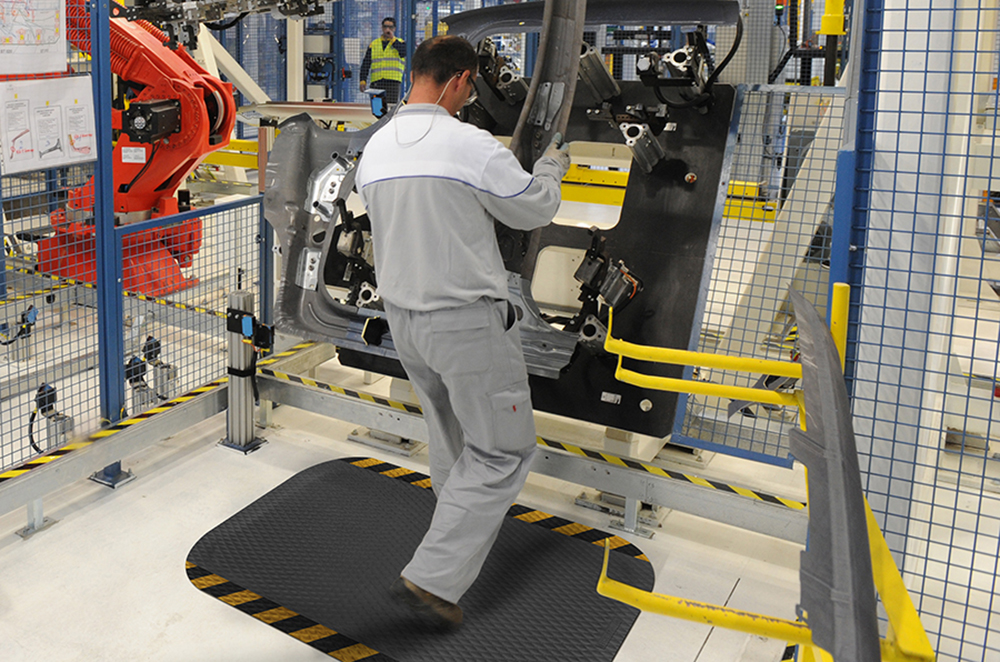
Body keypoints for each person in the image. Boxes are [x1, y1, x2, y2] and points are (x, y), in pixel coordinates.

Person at [354, 35, 571, 629]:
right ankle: (433, 577)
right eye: (470, 87)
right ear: (458, 81)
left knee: (450, 439)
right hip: (465, 325)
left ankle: (450, 539)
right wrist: (552, 166)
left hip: (405, 322)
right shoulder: (467, 144)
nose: (469, 98)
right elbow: (533, 208)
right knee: (502, 451)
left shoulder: (376, 148)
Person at [359, 17, 405, 104]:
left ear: (394, 29)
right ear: (382, 28)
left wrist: (392, 39)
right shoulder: (374, 44)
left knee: (390, 108)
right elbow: (365, 64)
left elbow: (403, 52)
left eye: (390, 27)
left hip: (393, 82)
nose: (387, 29)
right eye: (385, 27)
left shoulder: (400, 42)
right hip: (377, 82)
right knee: (378, 108)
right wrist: (362, 80)